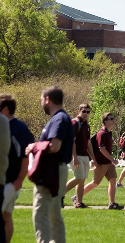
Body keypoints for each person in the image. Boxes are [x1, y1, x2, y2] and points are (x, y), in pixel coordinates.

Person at [28, 86, 74, 243]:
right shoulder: (61, 118)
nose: (41, 103)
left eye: (42, 100)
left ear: (47, 99)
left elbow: (54, 146)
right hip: (56, 170)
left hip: (51, 172)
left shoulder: (59, 118)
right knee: (54, 215)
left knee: (41, 215)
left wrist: (33, 147)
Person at [0, 93, 33, 241]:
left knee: (5, 216)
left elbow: (25, 157)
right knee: (6, 215)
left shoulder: (19, 128)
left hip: (9, 181)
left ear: (5, 109)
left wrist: (19, 181)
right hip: (7, 181)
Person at [81, 112, 124, 210]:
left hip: (108, 163)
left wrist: (111, 160)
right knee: (95, 183)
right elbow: (102, 149)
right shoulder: (102, 133)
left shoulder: (109, 132)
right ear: (105, 121)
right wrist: (112, 159)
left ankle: (112, 203)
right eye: (111, 118)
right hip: (101, 163)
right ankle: (77, 197)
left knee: (113, 180)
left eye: (113, 118)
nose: (113, 120)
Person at [65, 103, 95, 208]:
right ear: (79, 111)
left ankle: (79, 202)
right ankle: (59, 195)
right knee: (79, 177)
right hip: (76, 155)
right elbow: (71, 141)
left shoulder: (86, 125)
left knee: (82, 179)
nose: (86, 114)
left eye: (88, 112)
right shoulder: (74, 123)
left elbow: (88, 143)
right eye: (84, 111)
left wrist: (93, 158)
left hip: (85, 155)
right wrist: (74, 157)